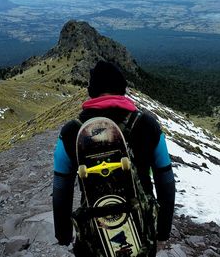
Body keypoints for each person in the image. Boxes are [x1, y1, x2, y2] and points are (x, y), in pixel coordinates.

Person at [52, 61, 175, 255]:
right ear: (122, 89)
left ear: (91, 91)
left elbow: (61, 186)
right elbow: (165, 179)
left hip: (95, 231)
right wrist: (163, 230)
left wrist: (63, 233)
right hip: (142, 230)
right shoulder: (147, 124)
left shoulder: (71, 130)